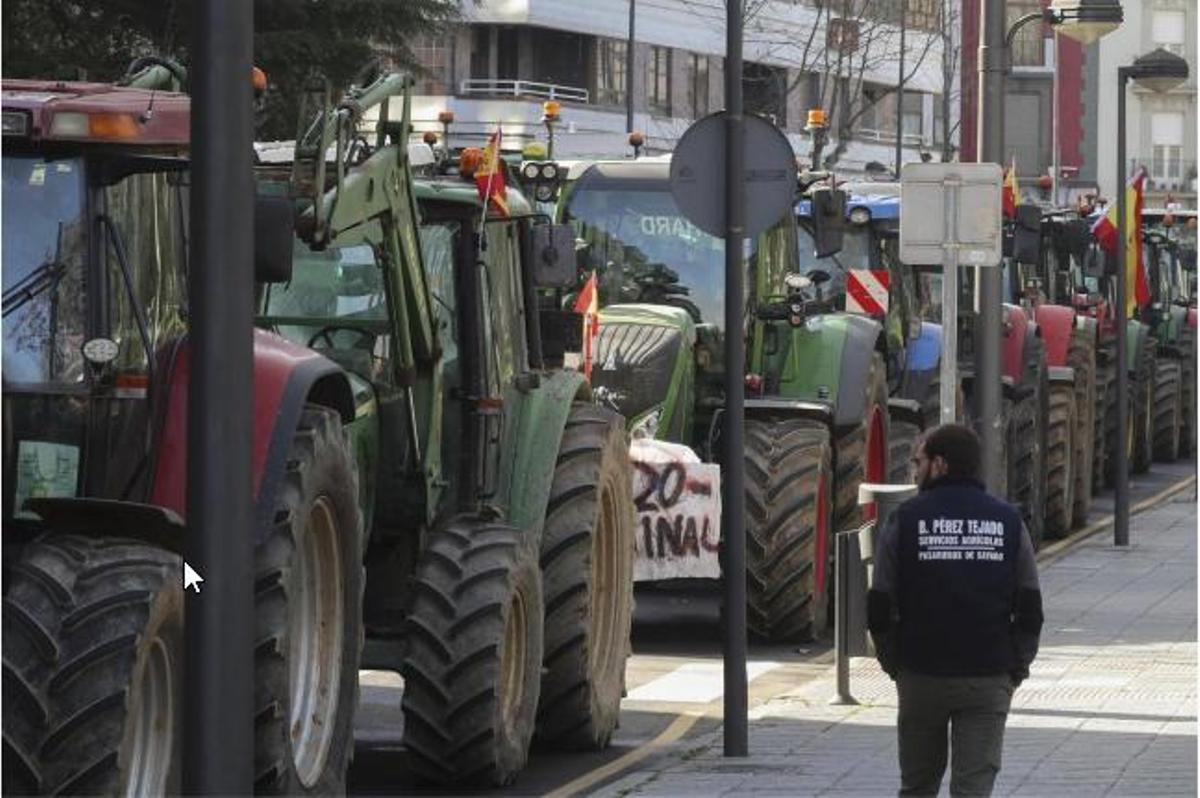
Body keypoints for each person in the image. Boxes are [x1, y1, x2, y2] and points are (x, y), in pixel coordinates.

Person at [868, 423, 1042, 797]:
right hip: (988, 676)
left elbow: (880, 602)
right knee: (973, 789)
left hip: (921, 674)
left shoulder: (906, 519)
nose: (915, 470)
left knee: (916, 786)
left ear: (940, 464)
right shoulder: (1008, 521)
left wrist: (894, 662)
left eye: (920, 461)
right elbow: (1030, 605)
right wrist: (1016, 668)